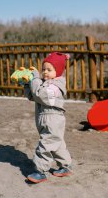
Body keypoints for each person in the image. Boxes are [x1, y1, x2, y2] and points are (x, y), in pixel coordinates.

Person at [24, 52, 72, 183]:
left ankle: (40, 171)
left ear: (58, 71)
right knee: (57, 144)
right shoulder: (44, 83)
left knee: (45, 144)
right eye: (43, 69)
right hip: (45, 119)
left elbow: (40, 94)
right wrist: (27, 84)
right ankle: (65, 166)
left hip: (53, 120)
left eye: (49, 70)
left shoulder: (55, 87)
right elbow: (32, 96)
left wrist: (34, 79)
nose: (45, 72)